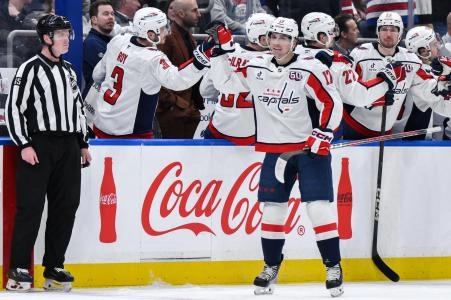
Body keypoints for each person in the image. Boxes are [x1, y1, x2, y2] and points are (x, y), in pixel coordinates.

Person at [208, 18, 344, 297]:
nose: (277, 43)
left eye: (284, 38)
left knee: (318, 208)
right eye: (273, 37)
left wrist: (324, 131)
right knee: (272, 210)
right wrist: (222, 52)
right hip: (276, 150)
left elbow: (331, 102)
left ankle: (333, 266)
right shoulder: (255, 65)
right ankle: (271, 265)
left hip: (309, 150)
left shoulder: (309, 68)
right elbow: (225, 83)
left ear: (295, 41)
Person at [4, 14, 91, 292]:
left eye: (68, 34)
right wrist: (25, 144)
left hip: (68, 147)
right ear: (46, 38)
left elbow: (77, 109)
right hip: (39, 145)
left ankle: (54, 266)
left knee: (66, 208)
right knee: (30, 208)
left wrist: (83, 143)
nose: (67, 39)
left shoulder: (68, 71)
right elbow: (15, 108)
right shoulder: (29, 69)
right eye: (61, 34)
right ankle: (18, 268)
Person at [91, 7, 213, 138]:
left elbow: (97, 75)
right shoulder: (152, 58)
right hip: (129, 134)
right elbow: (178, 80)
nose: (167, 32)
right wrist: (202, 59)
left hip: (101, 124)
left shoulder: (118, 41)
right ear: (150, 34)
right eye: (162, 28)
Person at [346, 11, 450, 139]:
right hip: (356, 126)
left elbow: (426, 85)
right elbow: (348, 90)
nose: (388, 34)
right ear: (377, 31)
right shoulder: (360, 55)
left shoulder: (410, 59)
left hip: (387, 130)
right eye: (384, 29)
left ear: (400, 33)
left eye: (393, 30)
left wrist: (442, 84)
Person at [295, 12, 400, 138]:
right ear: (321, 36)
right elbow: (360, 96)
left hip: (287, 131)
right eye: (331, 31)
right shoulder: (335, 63)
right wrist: (385, 80)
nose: (334, 35)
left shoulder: (292, 53)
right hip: (319, 133)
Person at [200, 13, 275, 144]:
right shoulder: (273, 61)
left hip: (219, 128)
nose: (278, 40)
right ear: (263, 39)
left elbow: (205, 90)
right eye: (275, 36)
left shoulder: (226, 53)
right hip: (256, 133)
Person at [156, 0, 204, 139]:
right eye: (194, 10)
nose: (199, 14)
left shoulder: (189, 38)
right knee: (171, 157)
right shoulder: (167, 38)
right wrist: (177, 104)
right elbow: (157, 76)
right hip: (173, 113)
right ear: (181, 13)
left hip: (188, 110)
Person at [393, 26, 451, 139]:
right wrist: (447, 79)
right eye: (434, 44)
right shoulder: (417, 71)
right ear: (423, 50)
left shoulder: (412, 67)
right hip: (405, 140)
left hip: (411, 139)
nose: (438, 48)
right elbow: (433, 93)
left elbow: (443, 106)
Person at [83, 0, 115, 98]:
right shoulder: (92, 43)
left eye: (112, 14)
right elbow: (109, 76)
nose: (111, 17)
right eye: (106, 14)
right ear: (94, 20)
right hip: (94, 104)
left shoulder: (108, 41)